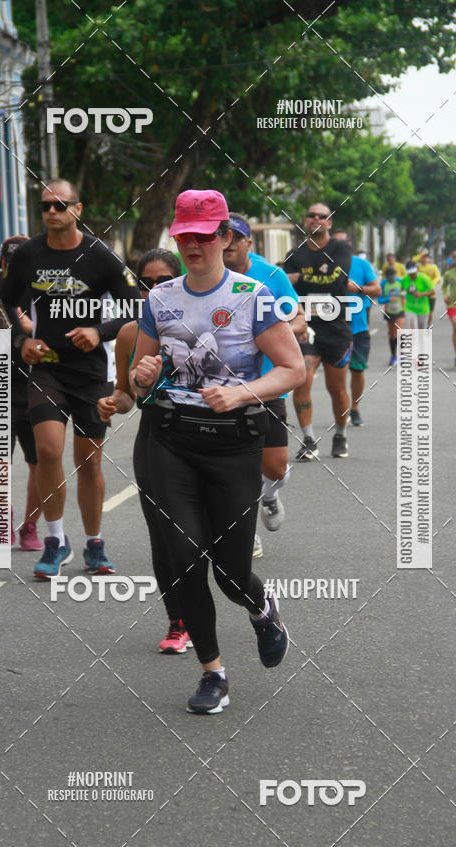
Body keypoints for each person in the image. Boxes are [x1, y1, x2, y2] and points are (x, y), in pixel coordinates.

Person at [131, 189, 304, 714]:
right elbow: (140, 380)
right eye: (185, 237)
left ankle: (262, 609)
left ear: (226, 237)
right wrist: (143, 378)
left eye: (205, 237)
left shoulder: (253, 295)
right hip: (169, 438)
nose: (194, 246)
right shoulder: (159, 300)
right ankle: (213, 672)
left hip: (232, 443)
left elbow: (292, 369)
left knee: (230, 573)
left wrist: (241, 392)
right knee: (183, 557)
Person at [0, 179, 143, 578]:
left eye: (61, 205)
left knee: (89, 461)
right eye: (45, 205)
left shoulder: (98, 255)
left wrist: (100, 332)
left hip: (91, 372)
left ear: (77, 209)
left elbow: (135, 307)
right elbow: (7, 298)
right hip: (47, 368)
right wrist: (23, 337)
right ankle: (54, 539)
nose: (52, 212)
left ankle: (94, 544)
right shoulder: (29, 255)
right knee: (47, 450)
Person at [97, 248, 193, 654]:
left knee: (206, 540)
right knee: (165, 536)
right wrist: (111, 403)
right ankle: (178, 620)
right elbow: (125, 395)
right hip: (156, 439)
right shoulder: (130, 334)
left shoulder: (204, 323)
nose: (154, 289)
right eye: (146, 283)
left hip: (209, 437)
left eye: (162, 281)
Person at [222, 212, 307, 556]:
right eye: (221, 236)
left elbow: (298, 319)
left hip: (267, 383)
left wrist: (274, 332)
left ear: (248, 242)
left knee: (275, 468)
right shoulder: (202, 276)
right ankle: (244, 530)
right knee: (233, 466)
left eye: (234, 237)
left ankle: (268, 495)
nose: (226, 243)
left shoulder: (270, 275)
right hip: (220, 386)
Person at [0, 236, 43, 551]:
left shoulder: (45, 291)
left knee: (41, 463)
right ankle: (1, 517)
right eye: (11, 263)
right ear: (2, 263)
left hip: (37, 388)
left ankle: (30, 526)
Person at [282, 202, 352, 459]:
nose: (316, 219)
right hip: (304, 328)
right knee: (302, 380)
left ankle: (341, 434)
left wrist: (300, 278)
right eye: (311, 215)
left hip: (336, 328)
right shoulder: (294, 254)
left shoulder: (340, 248)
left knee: (337, 388)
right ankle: (309, 439)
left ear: (329, 223)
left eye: (322, 216)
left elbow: (338, 280)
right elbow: (285, 288)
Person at [332, 231, 380, 427]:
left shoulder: (361, 265)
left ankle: (355, 407)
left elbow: (377, 290)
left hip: (358, 328)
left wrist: (358, 289)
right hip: (333, 328)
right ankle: (342, 409)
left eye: (343, 243)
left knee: (357, 371)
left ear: (349, 245)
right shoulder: (325, 266)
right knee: (336, 372)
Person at [379, 265, 404, 365]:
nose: (391, 279)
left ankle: (402, 355)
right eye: (389, 277)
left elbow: (405, 294)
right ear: (386, 277)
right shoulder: (383, 284)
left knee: (400, 332)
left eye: (393, 276)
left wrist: (404, 298)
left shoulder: (400, 282)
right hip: (389, 311)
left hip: (400, 310)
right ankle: (393, 356)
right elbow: (380, 300)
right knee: (392, 334)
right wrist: (388, 299)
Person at [401, 261, 434, 330]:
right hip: (409, 308)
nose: (412, 275)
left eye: (413, 273)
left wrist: (421, 294)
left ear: (416, 270)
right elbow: (402, 290)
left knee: (421, 332)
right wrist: (402, 297)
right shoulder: (404, 279)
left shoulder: (424, 278)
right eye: (410, 273)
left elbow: (433, 291)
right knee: (413, 331)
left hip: (423, 308)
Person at [417, 252, 441, 327]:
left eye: (426, 258)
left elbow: (438, 277)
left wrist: (431, 283)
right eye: (423, 257)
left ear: (429, 259)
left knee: (430, 312)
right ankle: (420, 326)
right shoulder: (418, 267)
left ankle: (428, 325)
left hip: (431, 293)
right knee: (420, 311)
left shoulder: (433, 267)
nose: (425, 259)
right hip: (420, 293)